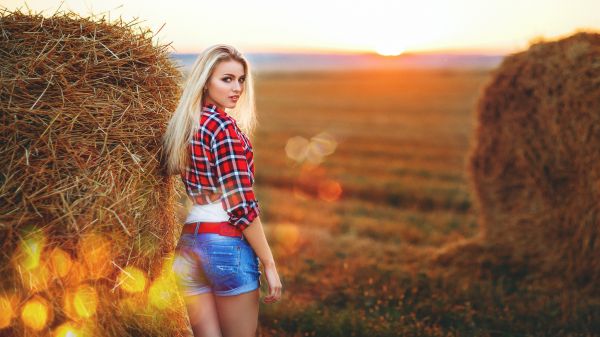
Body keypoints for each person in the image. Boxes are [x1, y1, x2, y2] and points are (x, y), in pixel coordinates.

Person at [161, 44, 282, 337]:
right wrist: (269, 262)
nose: (237, 87)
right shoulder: (224, 129)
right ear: (205, 80)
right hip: (225, 245)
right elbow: (239, 205)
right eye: (226, 79)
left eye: (241, 79)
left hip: (189, 246)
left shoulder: (184, 125)